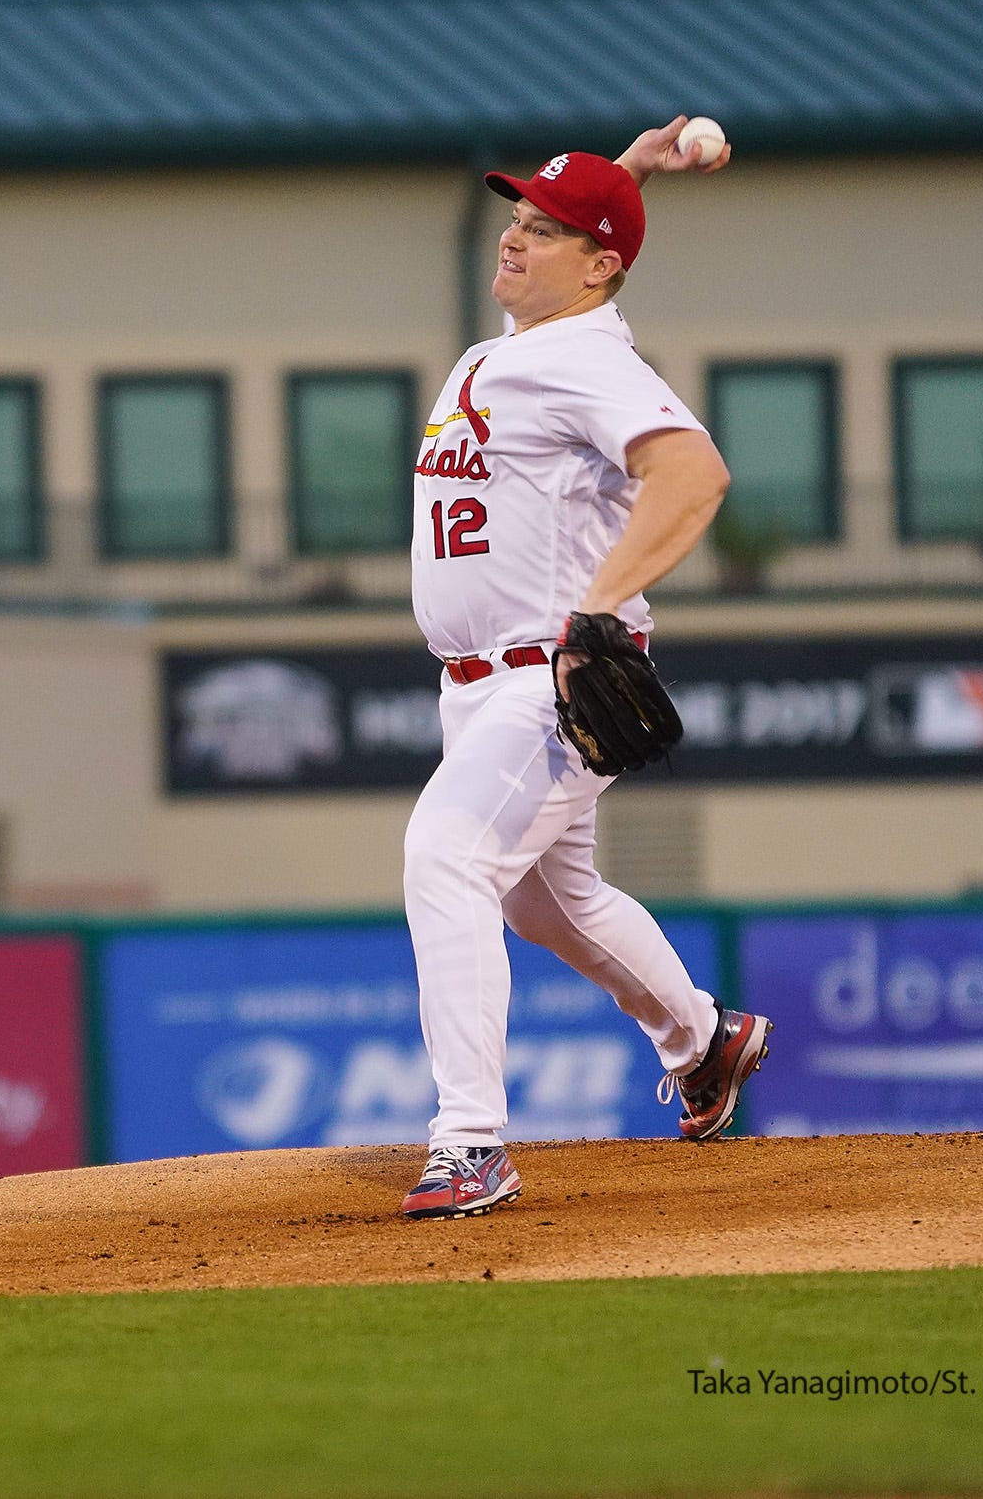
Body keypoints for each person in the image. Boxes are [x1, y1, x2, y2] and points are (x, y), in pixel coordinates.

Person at [400, 116, 770, 1220]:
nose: (512, 240)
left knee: (444, 856)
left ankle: (469, 1144)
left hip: (545, 678)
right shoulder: (515, 350)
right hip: (473, 684)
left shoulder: (581, 356)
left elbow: (693, 476)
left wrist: (597, 609)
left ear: (600, 265)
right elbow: (590, 266)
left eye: (544, 230)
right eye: (516, 220)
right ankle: (705, 1040)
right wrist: (627, 172)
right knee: (548, 906)